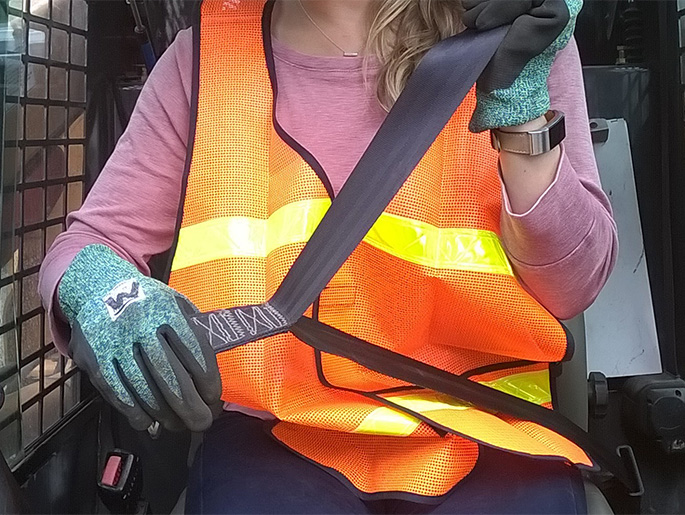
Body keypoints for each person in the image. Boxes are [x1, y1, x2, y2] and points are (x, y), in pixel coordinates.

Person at [38, 0, 618, 513]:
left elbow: (573, 285)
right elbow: (88, 244)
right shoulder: (207, 59)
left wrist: (520, 114)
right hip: (279, 438)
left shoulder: (515, 34)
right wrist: (102, 290)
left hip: (492, 435)